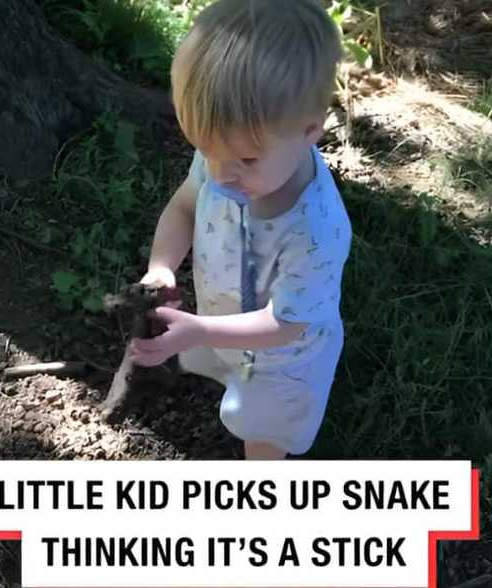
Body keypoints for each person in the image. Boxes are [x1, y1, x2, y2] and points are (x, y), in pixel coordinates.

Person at [130, 0, 350, 461]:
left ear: (310, 130)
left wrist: (199, 330)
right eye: (205, 150)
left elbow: (286, 323)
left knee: (263, 437)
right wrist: (161, 268)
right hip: (222, 321)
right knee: (228, 372)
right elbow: (186, 207)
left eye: (246, 159)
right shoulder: (227, 152)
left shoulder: (315, 229)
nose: (221, 173)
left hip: (283, 363)